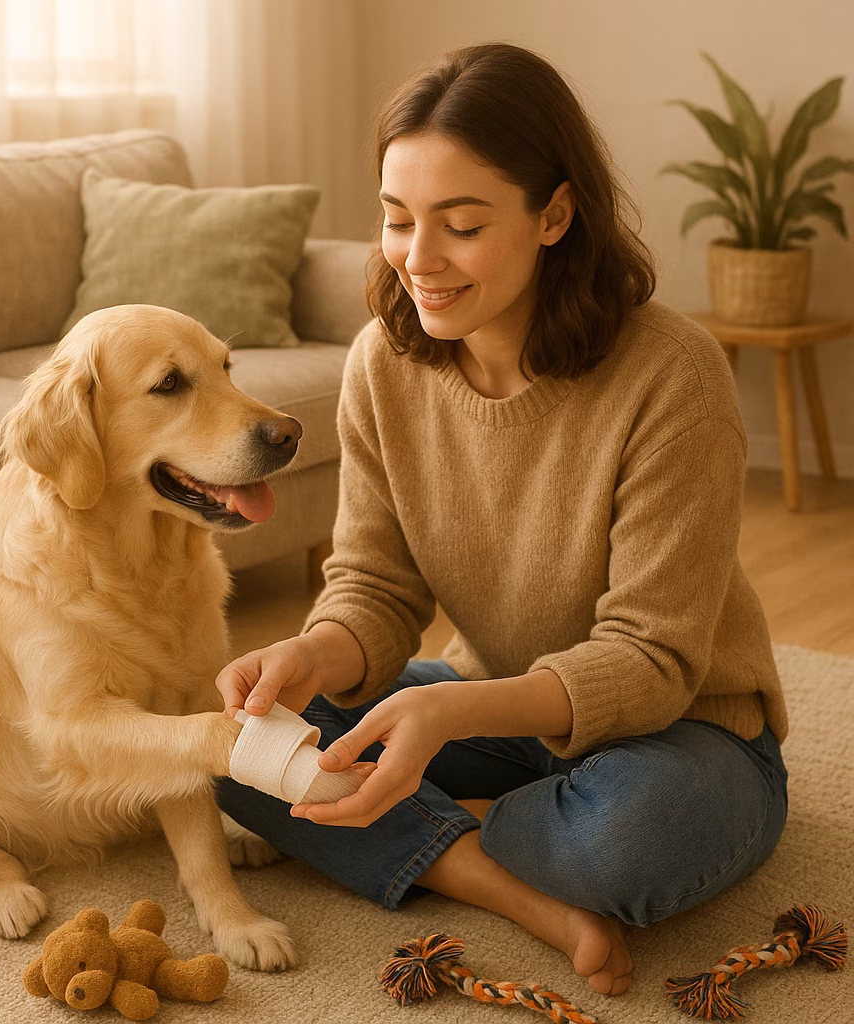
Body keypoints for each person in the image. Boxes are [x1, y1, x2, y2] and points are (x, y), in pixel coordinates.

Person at [215, 42, 788, 997]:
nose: (419, 260)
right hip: (498, 703)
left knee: (626, 842)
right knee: (239, 742)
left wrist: (444, 713)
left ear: (555, 214)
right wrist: (312, 656)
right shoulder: (381, 366)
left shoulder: (672, 374)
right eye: (399, 220)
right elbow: (376, 587)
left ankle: (439, 823)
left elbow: (652, 660)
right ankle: (512, 885)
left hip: (687, 730)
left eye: (462, 225)